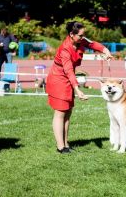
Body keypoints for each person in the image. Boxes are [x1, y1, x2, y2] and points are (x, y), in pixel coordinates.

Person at [46, 21, 112, 154]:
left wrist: (106, 51)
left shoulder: (80, 40)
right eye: (81, 35)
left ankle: (65, 143)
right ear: (71, 34)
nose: (83, 37)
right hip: (59, 79)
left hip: (68, 78)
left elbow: (92, 44)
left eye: (84, 35)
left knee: (68, 112)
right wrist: (77, 89)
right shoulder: (65, 49)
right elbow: (69, 70)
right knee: (60, 112)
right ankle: (60, 147)